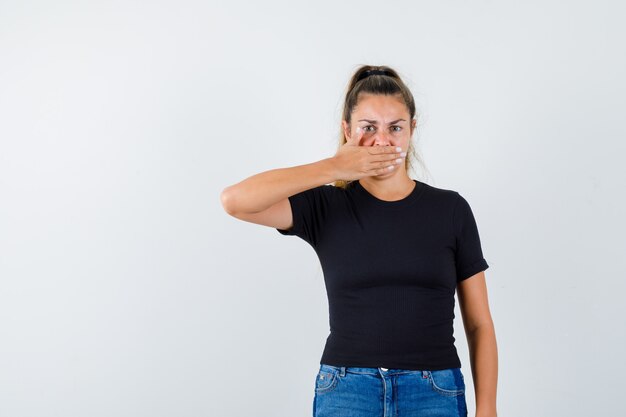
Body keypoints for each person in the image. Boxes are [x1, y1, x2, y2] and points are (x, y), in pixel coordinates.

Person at [220, 65, 498, 417]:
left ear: (412, 130)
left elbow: (479, 323)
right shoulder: (326, 205)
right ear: (347, 131)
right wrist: (335, 167)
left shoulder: (451, 210)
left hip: (433, 390)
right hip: (347, 389)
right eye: (368, 128)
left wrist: (487, 407)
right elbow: (235, 201)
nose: (382, 141)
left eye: (395, 128)